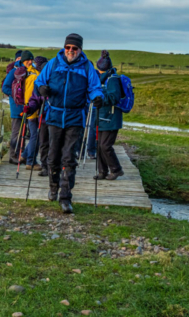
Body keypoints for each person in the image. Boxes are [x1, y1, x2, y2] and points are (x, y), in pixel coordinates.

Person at [34, 34, 104, 214]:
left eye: (74, 48)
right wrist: (41, 89)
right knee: (53, 156)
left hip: (76, 117)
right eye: (68, 47)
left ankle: (66, 197)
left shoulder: (87, 67)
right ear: (64, 47)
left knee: (69, 158)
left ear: (80, 50)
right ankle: (53, 188)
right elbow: (39, 81)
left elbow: (94, 87)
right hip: (54, 115)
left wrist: (97, 97)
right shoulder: (53, 63)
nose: (71, 51)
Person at [94, 50, 124, 180]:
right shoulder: (104, 79)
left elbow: (114, 97)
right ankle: (102, 171)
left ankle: (116, 169)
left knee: (105, 146)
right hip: (102, 116)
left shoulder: (112, 80)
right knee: (99, 145)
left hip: (111, 118)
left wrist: (101, 98)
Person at [2, 50, 27, 164]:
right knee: (16, 132)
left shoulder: (27, 71)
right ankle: (12, 156)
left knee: (23, 132)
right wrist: (16, 95)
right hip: (17, 107)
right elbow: (5, 87)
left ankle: (20, 154)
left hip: (26, 107)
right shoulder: (14, 72)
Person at [20, 51, 42, 170]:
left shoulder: (27, 73)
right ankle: (31, 162)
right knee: (35, 136)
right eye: (27, 60)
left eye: (31, 59)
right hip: (32, 109)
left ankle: (24, 156)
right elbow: (30, 93)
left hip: (29, 108)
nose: (30, 61)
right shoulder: (32, 75)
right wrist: (31, 107)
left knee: (35, 135)